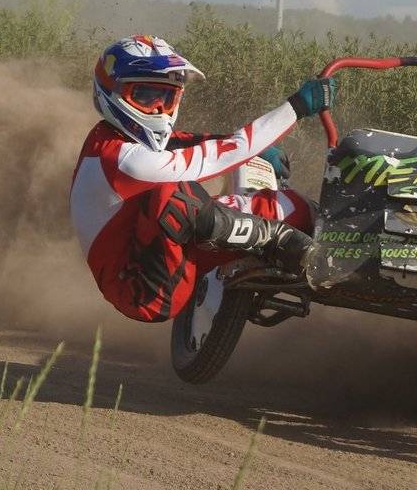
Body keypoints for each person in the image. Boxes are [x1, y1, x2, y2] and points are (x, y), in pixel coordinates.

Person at [70, 35, 335, 323]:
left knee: (295, 208)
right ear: (111, 91)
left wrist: (254, 149)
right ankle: (276, 239)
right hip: (143, 291)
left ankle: (325, 248)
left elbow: (185, 142)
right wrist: (295, 108)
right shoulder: (127, 162)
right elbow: (219, 156)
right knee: (178, 198)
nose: (158, 108)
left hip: (151, 249)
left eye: (167, 97)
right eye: (144, 95)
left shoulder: (107, 138)